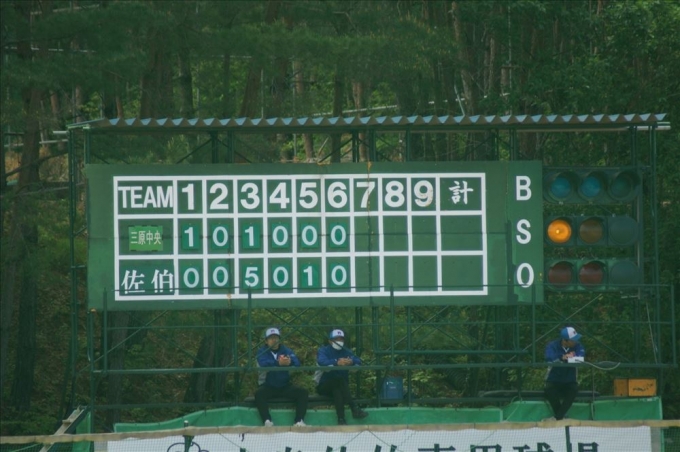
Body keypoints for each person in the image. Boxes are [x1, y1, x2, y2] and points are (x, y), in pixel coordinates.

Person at [255, 327, 308, 427]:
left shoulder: (286, 350)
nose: (274, 340)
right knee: (259, 394)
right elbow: (263, 363)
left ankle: (299, 421)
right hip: (268, 385)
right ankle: (267, 421)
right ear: (266, 341)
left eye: (276, 337)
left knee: (303, 393)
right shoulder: (262, 351)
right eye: (271, 338)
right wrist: (278, 363)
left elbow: (297, 363)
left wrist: (289, 362)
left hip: (284, 385)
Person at [314, 329, 369, 425]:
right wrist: (337, 362)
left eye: (341, 339)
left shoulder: (346, 351)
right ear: (330, 341)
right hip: (324, 386)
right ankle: (354, 407)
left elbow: (358, 360)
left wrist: (351, 362)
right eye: (336, 339)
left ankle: (341, 419)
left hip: (341, 388)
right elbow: (322, 362)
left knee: (337, 390)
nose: (339, 341)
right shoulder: (323, 350)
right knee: (338, 381)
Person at [544, 326, 585, 420]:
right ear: (565, 340)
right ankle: (561, 417)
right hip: (554, 379)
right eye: (573, 340)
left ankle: (558, 417)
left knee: (574, 390)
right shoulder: (553, 345)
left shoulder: (578, 346)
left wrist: (572, 357)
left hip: (570, 380)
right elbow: (549, 357)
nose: (575, 341)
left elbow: (581, 357)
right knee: (549, 389)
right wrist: (562, 357)